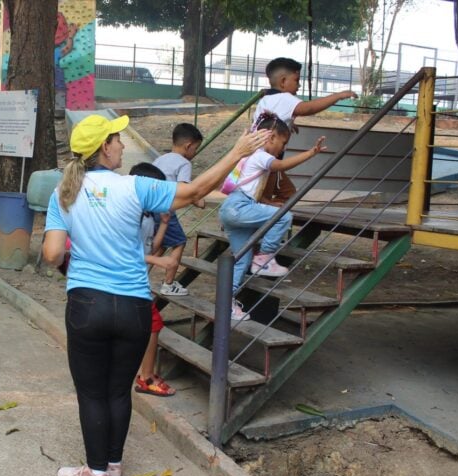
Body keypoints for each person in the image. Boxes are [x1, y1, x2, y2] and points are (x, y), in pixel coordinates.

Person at [40, 114, 268, 476]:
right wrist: (237, 152)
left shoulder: (62, 194)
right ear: (104, 147)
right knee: (118, 391)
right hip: (134, 306)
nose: (121, 146)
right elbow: (194, 192)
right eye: (117, 139)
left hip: (87, 305)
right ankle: (112, 468)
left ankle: (96, 472)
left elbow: (52, 254)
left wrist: (79, 259)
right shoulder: (135, 186)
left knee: (91, 393)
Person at [220, 113, 326, 321]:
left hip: (230, 209)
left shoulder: (248, 155)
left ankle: (227, 303)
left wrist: (267, 203)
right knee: (283, 216)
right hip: (240, 206)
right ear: (270, 138)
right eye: (283, 142)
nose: (283, 148)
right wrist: (311, 153)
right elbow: (281, 166)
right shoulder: (260, 155)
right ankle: (264, 258)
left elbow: (252, 188)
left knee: (241, 260)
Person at [254, 57, 357, 205]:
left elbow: (268, 122)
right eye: (296, 80)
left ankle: (272, 215)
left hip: (267, 162)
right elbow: (307, 108)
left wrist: (288, 125)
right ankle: (265, 217)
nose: (299, 85)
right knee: (269, 200)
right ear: (283, 81)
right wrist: (338, 96)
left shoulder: (267, 100)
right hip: (268, 163)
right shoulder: (284, 98)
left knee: (288, 195)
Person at [127, 162, 177, 398]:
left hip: (138, 282)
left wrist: (165, 223)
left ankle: (143, 373)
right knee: (153, 323)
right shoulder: (130, 215)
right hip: (127, 281)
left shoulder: (148, 216)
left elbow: (152, 246)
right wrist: (158, 262)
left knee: (150, 324)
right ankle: (146, 377)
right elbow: (123, 251)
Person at [152, 122, 205, 297]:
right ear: (188, 145)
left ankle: (139, 275)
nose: (195, 153)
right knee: (179, 241)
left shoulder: (160, 159)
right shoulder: (184, 163)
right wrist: (198, 201)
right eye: (195, 148)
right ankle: (168, 283)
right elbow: (184, 190)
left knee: (159, 246)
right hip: (165, 208)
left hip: (150, 207)